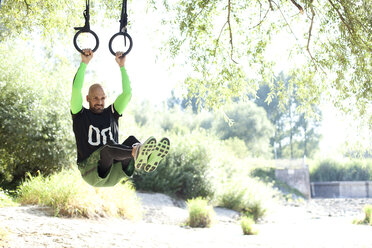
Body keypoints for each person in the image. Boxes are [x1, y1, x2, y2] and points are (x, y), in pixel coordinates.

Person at [70, 49, 170, 187]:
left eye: (102, 98)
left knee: (132, 140)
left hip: (113, 171)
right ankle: (137, 152)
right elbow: (76, 90)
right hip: (91, 171)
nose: (100, 102)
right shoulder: (80, 115)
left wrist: (122, 66)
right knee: (108, 148)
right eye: (95, 98)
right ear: (87, 99)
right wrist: (84, 63)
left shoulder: (112, 112)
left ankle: (147, 158)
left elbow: (127, 94)